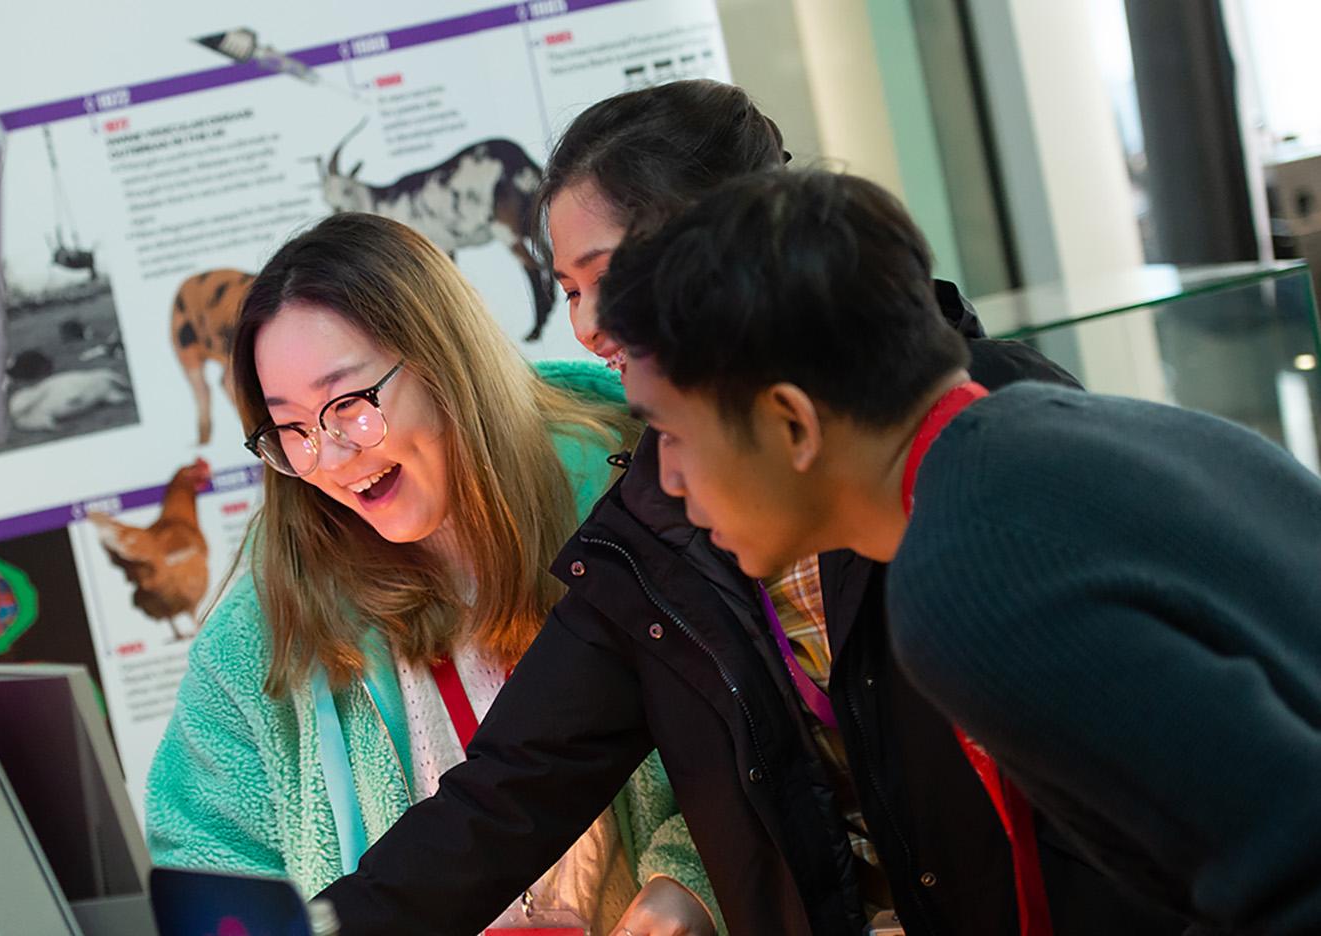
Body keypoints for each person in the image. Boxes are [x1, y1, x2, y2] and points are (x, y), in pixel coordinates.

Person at [318, 80, 1182, 936]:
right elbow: (509, 791)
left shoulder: (989, 437)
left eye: (607, 277)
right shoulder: (656, 515)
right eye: (569, 290)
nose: (586, 328)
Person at [599, 167, 1321, 935]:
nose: (667, 477)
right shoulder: (1067, 436)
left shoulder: (966, 573)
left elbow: (1292, 872)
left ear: (792, 424)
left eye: (672, 433)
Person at [145, 212, 721, 936]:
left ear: (444, 359)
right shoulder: (259, 634)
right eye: (290, 428)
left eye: (349, 405)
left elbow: (769, 753)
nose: (328, 458)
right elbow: (208, 870)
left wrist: (690, 888)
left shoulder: (640, 508)